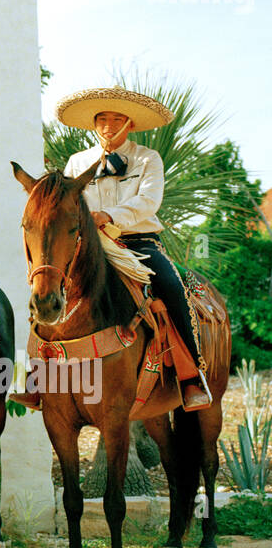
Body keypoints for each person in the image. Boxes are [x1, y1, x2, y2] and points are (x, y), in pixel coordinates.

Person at [57, 86, 210, 409]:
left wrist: (109, 215)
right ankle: (41, 378)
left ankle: (191, 375)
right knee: (48, 283)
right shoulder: (76, 162)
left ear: (131, 124)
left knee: (171, 286)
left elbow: (148, 201)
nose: (108, 126)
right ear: (93, 124)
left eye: (116, 119)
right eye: (102, 119)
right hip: (91, 245)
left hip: (138, 243)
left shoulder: (148, 159)